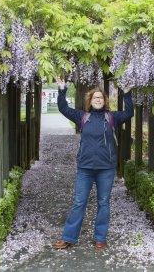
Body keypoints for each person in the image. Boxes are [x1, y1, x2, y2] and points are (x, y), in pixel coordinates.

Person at [53, 77, 134, 251]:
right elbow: (63, 108)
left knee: (103, 202)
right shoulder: (82, 116)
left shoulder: (112, 117)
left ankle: (100, 238)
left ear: (104, 101)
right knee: (79, 202)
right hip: (85, 168)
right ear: (90, 101)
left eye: (101, 98)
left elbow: (129, 113)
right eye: (95, 97)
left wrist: (127, 94)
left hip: (106, 168)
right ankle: (68, 237)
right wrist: (62, 90)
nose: (98, 99)